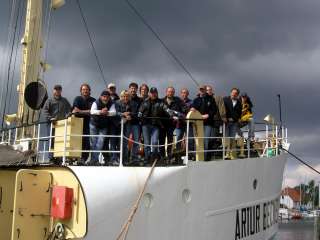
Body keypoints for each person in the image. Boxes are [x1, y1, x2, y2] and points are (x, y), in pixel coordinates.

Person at [138, 87, 170, 163]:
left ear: (157, 93)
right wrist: (141, 119)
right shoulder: (145, 102)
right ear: (149, 94)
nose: (153, 94)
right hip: (145, 125)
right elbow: (140, 112)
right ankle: (147, 158)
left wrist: (172, 114)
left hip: (156, 125)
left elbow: (166, 109)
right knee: (146, 143)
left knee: (155, 142)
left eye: (155, 93)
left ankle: (154, 157)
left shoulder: (161, 102)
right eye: (152, 93)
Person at [42, 84, 71, 162]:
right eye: (56, 89)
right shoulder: (49, 100)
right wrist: (51, 118)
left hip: (61, 124)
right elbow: (45, 111)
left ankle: (59, 157)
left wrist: (67, 116)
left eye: (59, 89)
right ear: (53, 90)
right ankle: (51, 157)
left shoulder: (64, 100)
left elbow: (69, 110)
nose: (57, 91)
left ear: (61, 91)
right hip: (51, 124)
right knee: (51, 140)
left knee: (60, 140)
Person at [88, 90, 117, 166]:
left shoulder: (111, 103)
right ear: (101, 97)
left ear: (109, 97)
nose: (105, 98)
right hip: (94, 125)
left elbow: (114, 113)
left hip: (103, 126)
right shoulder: (96, 102)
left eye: (107, 97)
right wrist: (101, 112)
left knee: (100, 143)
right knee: (93, 143)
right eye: (104, 97)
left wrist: (107, 112)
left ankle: (94, 160)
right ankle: (94, 160)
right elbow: (92, 111)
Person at [190, 85, 217, 161]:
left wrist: (208, 115)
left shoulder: (211, 99)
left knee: (205, 140)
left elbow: (214, 110)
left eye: (203, 89)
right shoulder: (196, 100)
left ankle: (203, 157)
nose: (201, 91)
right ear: (199, 90)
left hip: (208, 123)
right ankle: (196, 157)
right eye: (200, 90)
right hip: (197, 123)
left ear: (205, 90)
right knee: (197, 140)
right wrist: (192, 109)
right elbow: (193, 108)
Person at [160, 86, 187, 159]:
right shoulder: (161, 100)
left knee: (170, 141)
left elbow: (184, 109)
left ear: (174, 93)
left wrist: (179, 116)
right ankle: (162, 157)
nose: (170, 93)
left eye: (172, 92)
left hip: (172, 125)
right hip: (162, 124)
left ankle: (169, 156)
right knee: (162, 141)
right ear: (166, 92)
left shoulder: (178, 100)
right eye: (169, 91)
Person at [72, 83, 96, 164]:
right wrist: (87, 111)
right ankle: (75, 157)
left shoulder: (93, 100)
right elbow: (75, 110)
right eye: (83, 89)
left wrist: (81, 111)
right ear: (81, 91)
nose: (85, 91)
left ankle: (83, 158)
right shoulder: (77, 99)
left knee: (87, 141)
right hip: (78, 123)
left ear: (89, 91)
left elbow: (92, 111)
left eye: (87, 89)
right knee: (77, 140)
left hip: (89, 124)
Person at [115, 90, 139, 164]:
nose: (125, 98)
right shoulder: (117, 103)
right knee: (121, 142)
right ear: (121, 97)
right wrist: (123, 114)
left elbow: (136, 113)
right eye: (123, 96)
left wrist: (129, 115)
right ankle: (121, 159)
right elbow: (115, 112)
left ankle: (129, 159)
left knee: (130, 142)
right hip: (120, 124)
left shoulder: (133, 103)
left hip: (131, 123)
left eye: (127, 96)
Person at [206, 85, 227, 154]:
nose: (208, 91)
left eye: (209, 90)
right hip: (206, 122)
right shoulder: (204, 98)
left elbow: (222, 108)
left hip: (216, 121)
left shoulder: (217, 98)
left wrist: (223, 117)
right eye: (207, 90)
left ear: (212, 90)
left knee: (214, 137)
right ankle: (208, 152)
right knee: (206, 138)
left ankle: (213, 152)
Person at [223, 88, 242, 159]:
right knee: (226, 138)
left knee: (232, 138)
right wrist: (226, 118)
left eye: (236, 93)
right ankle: (225, 153)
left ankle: (229, 154)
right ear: (230, 93)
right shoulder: (225, 99)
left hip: (234, 123)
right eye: (233, 93)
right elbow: (222, 110)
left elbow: (239, 113)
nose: (234, 94)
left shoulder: (239, 103)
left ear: (237, 94)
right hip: (226, 122)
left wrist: (236, 119)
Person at [128, 82, 143, 162]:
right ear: (129, 89)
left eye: (135, 88)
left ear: (137, 90)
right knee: (125, 141)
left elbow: (141, 111)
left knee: (136, 141)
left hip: (136, 124)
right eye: (132, 88)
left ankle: (134, 157)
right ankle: (125, 157)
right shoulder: (126, 97)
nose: (133, 90)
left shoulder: (140, 100)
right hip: (126, 123)